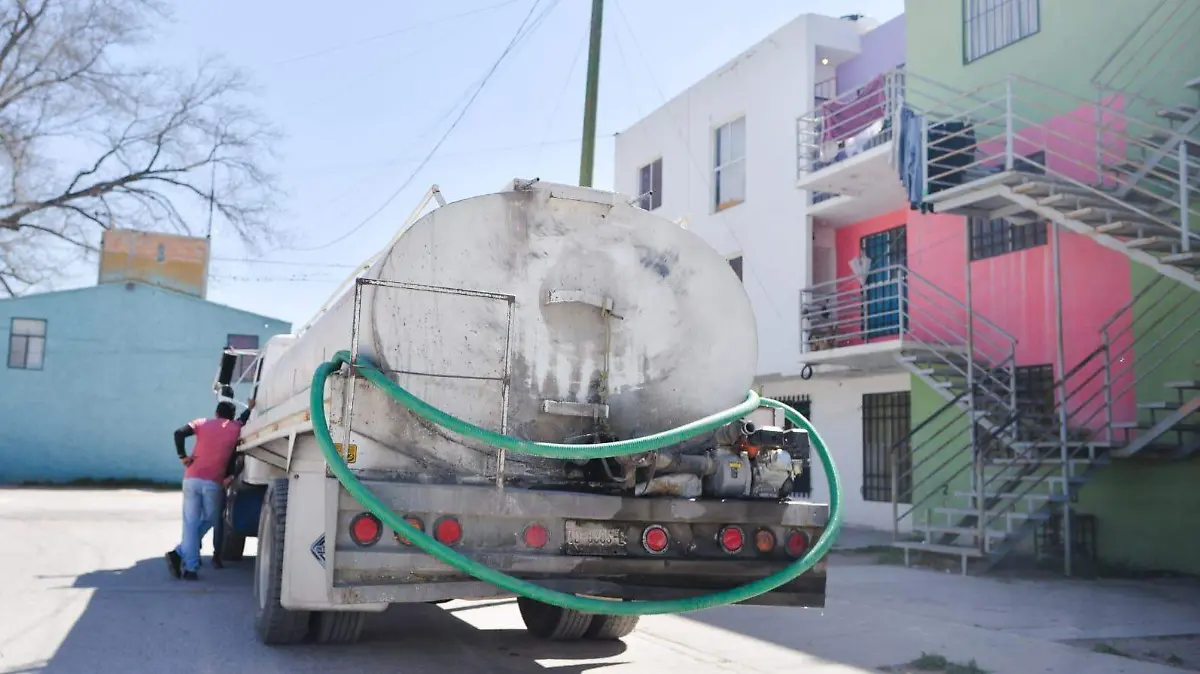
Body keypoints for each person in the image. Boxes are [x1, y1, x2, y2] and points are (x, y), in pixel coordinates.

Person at [165, 398, 254, 580]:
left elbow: (178, 433)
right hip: (213, 482)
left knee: (190, 523)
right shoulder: (235, 427)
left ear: (216, 413)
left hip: (191, 478)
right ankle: (188, 565)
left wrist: (183, 457)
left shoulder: (201, 423)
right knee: (210, 519)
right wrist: (250, 408)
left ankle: (183, 556)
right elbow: (243, 419)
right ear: (231, 416)